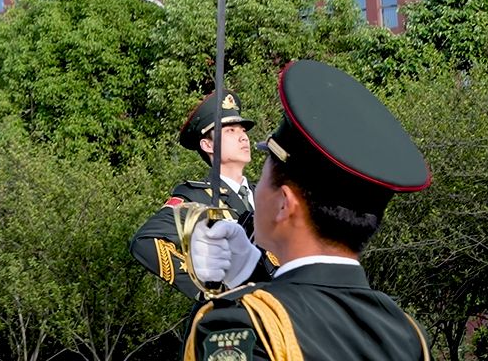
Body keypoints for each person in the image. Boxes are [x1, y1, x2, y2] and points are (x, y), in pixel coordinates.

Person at [183, 59, 432, 360]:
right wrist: (252, 274)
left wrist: (218, 293)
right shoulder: (406, 333)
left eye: (263, 177)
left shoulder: (240, 325)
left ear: (284, 204)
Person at [131, 91, 269, 300]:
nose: (243, 137)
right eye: (230, 130)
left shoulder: (267, 195)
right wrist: (208, 291)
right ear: (207, 145)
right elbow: (145, 241)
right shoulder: (196, 198)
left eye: (243, 130)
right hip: (239, 319)